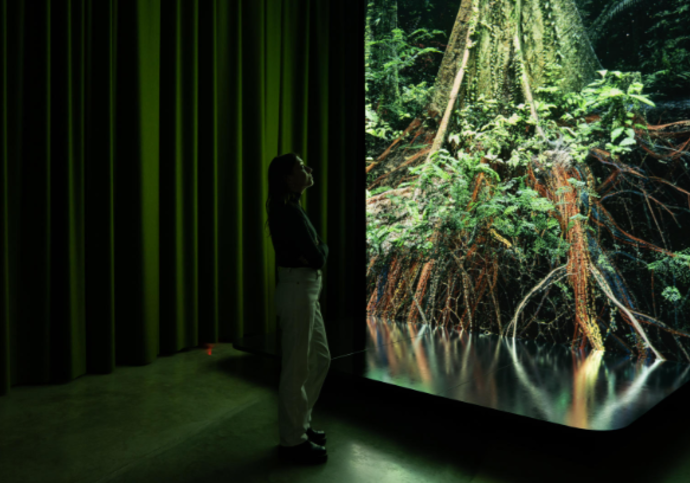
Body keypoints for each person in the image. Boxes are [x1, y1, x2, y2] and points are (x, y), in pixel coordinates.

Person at [265, 152, 331, 464]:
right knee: (296, 369)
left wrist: (317, 250)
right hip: (297, 290)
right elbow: (319, 256)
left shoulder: (291, 206)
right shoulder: (287, 212)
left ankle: (301, 426)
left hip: (304, 289)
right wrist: (320, 249)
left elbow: (315, 253)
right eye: (302, 167)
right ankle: (292, 442)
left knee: (320, 359)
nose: (309, 169)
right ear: (288, 179)